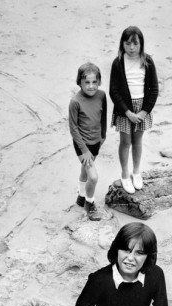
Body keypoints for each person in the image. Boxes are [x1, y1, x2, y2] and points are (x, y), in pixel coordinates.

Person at [109, 26, 158, 195]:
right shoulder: (118, 63)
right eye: (128, 43)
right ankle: (124, 174)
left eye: (135, 43)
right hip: (125, 109)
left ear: (141, 44)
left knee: (137, 141)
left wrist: (144, 112)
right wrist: (127, 112)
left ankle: (136, 172)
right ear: (122, 44)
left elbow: (154, 90)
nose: (131, 47)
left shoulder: (148, 61)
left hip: (142, 108)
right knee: (125, 142)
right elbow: (113, 91)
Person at [69, 62, 107, 221]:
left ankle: (81, 196)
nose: (91, 86)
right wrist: (84, 150)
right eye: (87, 82)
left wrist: (103, 135)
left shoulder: (102, 95)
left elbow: (103, 116)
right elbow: (73, 129)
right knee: (93, 177)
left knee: (85, 171)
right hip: (81, 145)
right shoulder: (75, 102)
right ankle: (89, 204)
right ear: (80, 82)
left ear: (99, 82)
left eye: (94, 82)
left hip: (96, 141)